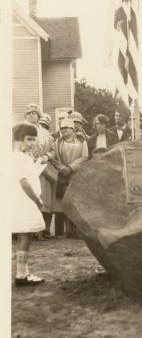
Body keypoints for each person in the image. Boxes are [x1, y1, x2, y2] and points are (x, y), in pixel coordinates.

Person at [12, 123, 45, 286]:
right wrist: (37, 201)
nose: (32, 143)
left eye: (34, 139)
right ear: (19, 140)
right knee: (25, 236)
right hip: (25, 202)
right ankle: (21, 275)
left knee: (25, 237)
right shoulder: (18, 157)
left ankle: (23, 273)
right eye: (28, 139)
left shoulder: (24, 157)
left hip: (26, 201)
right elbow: (23, 182)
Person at [51, 117, 88, 238]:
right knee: (64, 203)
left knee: (76, 203)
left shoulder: (81, 141)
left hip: (76, 175)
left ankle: (77, 230)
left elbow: (84, 157)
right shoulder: (57, 142)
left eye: (65, 128)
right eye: (61, 128)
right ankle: (68, 231)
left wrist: (71, 167)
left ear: (72, 129)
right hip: (63, 176)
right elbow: (54, 158)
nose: (63, 130)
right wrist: (62, 168)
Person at [24, 104, 55, 240]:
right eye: (29, 113)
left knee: (44, 199)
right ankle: (27, 230)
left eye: (34, 113)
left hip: (42, 169)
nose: (31, 115)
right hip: (27, 168)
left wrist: (46, 156)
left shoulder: (46, 133)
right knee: (29, 198)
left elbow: (53, 151)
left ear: (38, 116)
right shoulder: (21, 131)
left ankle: (42, 230)